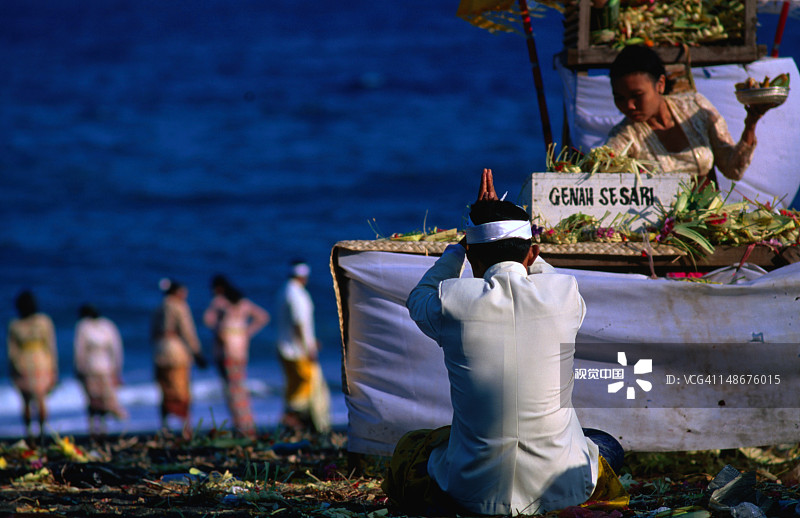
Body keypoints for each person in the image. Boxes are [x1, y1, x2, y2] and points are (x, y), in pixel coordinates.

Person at [383, 170, 626, 516]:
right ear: (532, 253)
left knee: (415, 446)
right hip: (562, 491)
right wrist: (507, 230)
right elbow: (538, 269)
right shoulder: (565, 295)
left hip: (473, 496)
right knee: (605, 444)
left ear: (473, 259)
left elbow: (418, 296)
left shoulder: (451, 302)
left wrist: (458, 249)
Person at [605, 44, 775, 187]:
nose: (629, 105)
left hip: (711, 218)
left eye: (637, 95)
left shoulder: (695, 107)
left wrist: (751, 123)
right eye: (619, 98)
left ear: (660, 85)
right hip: (662, 225)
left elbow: (733, 169)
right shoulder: (624, 137)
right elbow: (604, 175)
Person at [203, 274, 270, 438]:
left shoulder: (219, 302)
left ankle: (240, 424)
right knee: (240, 387)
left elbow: (207, 320)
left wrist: (220, 330)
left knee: (232, 390)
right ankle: (247, 422)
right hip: (241, 349)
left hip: (226, 350)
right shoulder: (243, 303)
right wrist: (246, 332)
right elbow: (263, 317)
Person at [275, 260, 331, 434]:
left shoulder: (284, 290)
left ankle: (293, 423)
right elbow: (299, 324)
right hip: (296, 350)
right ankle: (293, 419)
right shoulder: (297, 294)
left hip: (285, 347)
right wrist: (308, 347)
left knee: (294, 386)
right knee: (306, 386)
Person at [151, 279, 206, 438]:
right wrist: (197, 352)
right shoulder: (179, 306)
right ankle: (186, 428)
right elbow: (187, 331)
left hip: (160, 350)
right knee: (181, 389)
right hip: (176, 351)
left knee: (165, 389)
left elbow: (153, 333)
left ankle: (165, 427)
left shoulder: (158, 307)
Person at [7, 290, 58, 445]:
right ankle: (41, 433)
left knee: (27, 401)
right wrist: (54, 367)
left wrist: (13, 369)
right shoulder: (43, 321)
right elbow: (51, 346)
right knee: (40, 399)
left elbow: (12, 351)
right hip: (41, 362)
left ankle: (31, 435)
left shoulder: (15, 325)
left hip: (23, 363)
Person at [74, 304, 128, 438]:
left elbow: (79, 351)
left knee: (93, 401)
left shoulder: (83, 326)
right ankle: (104, 429)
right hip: (107, 369)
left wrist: (78, 369)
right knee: (105, 401)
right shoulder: (108, 325)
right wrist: (117, 370)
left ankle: (93, 429)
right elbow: (117, 350)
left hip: (90, 369)